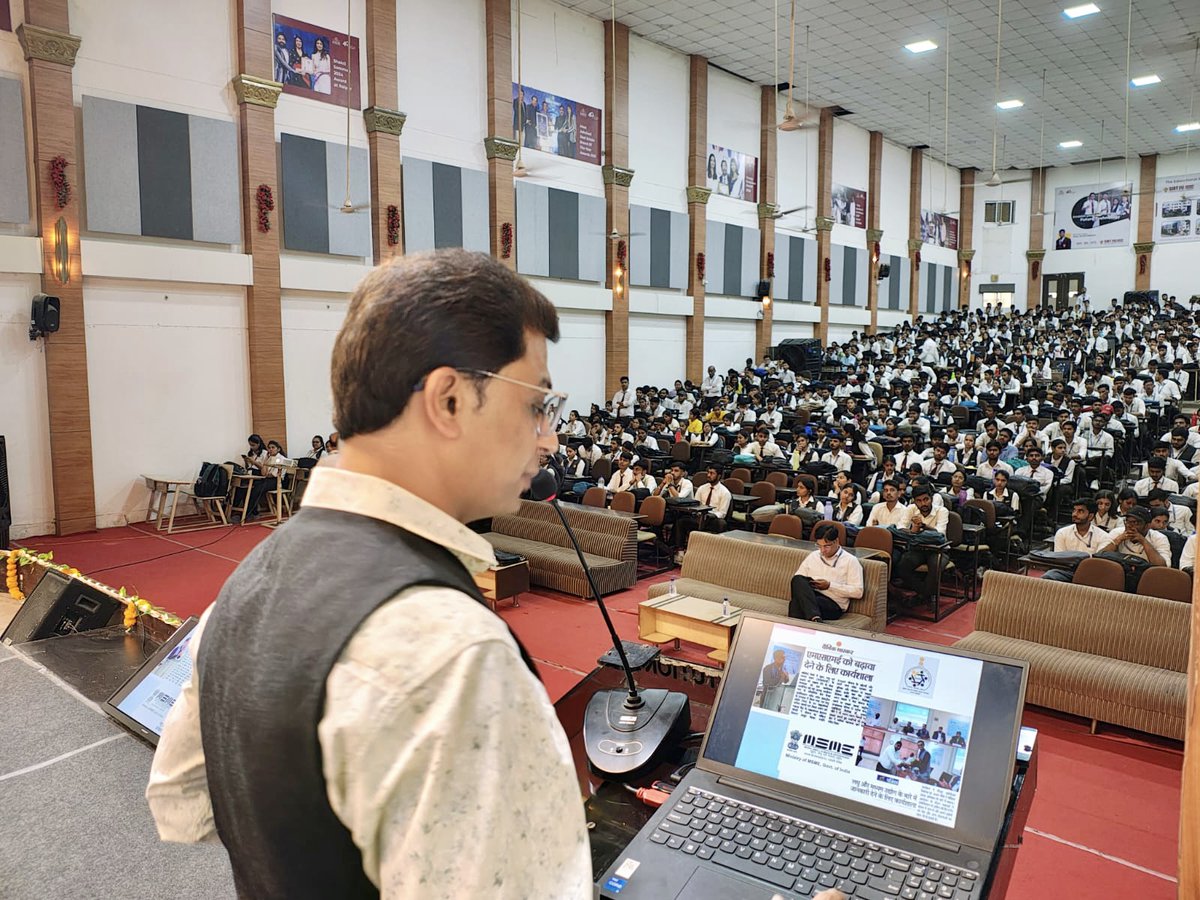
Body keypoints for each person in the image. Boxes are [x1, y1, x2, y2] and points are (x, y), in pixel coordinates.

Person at [146, 250, 591, 897]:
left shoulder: (246, 583)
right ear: (450, 399)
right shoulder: (451, 657)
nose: (549, 437)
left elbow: (181, 802)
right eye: (537, 404)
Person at [788, 524, 864, 621]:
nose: (823, 550)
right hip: (812, 596)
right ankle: (814, 618)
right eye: (819, 546)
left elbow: (858, 592)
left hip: (833, 604)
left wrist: (829, 586)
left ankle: (810, 618)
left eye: (826, 546)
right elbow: (799, 583)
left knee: (796, 604)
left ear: (836, 541)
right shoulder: (813, 556)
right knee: (797, 579)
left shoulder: (850, 561)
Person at [893, 487, 950, 604]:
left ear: (931, 499)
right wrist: (913, 531)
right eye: (919, 501)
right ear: (914, 501)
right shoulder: (911, 509)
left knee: (936, 565)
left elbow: (940, 534)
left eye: (926, 499)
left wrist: (923, 526)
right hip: (918, 549)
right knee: (902, 565)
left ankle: (924, 596)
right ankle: (925, 593)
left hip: (938, 550)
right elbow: (900, 528)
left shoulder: (942, 511)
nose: (923, 503)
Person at [1042, 500, 1108, 581]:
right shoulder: (1062, 532)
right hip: (1066, 571)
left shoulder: (1103, 536)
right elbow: (1059, 559)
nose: (1074, 514)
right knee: (1048, 576)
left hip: (1090, 574)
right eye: (1074, 510)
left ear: (1090, 516)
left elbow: (1097, 563)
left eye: (1080, 511)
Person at [1095, 506, 1169, 569]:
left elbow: (1162, 567)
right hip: (1117, 574)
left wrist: (1143, 541)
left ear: (1147, 526)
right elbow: (1099, 556)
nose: (1129, 526)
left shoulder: (1160, 538)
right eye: (1128, 521)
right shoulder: (1117, 533)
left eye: (1135, 523)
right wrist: (1118, 540)